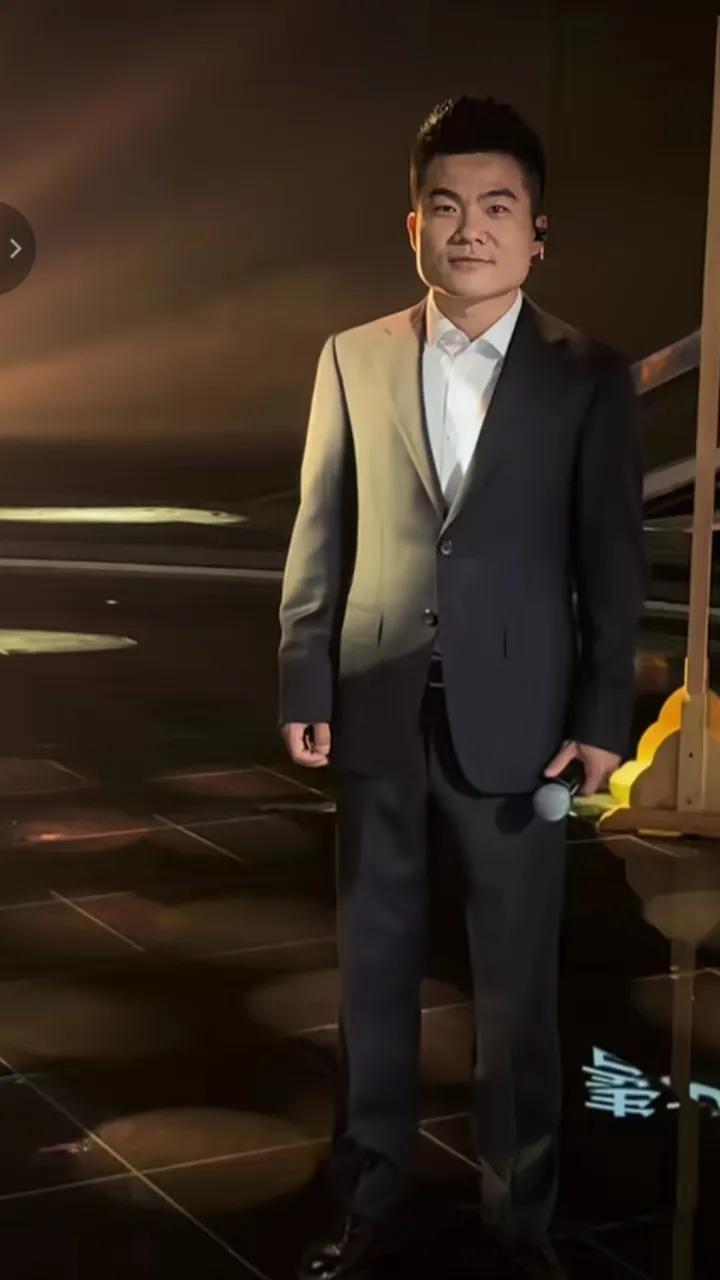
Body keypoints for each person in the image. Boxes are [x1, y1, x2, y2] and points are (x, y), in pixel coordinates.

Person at [277, 94, 646, 1280]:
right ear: (414, 227)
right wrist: (303, 673)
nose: (470, 229)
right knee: (373, 973)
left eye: (497, 207)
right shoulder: (353, 356)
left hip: (524, 723)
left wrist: (601, 717)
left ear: (538, 233)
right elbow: (320, 532)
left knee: (519, 989)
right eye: (446, 207)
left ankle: (519, 1220)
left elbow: (612, 562)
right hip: (377, 703)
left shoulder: (588, 374)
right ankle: (365, 1199)